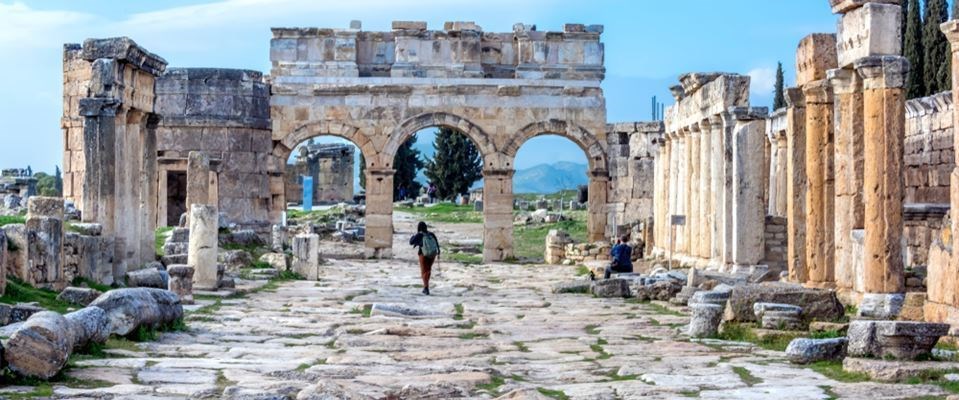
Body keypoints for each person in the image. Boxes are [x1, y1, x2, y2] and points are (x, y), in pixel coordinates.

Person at [409, 221, 440, 295]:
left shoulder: (419, 235)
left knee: (424, 271)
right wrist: (438, 252)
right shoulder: (431, 234)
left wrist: (413, 236)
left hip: (423, 254)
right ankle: (426, 286)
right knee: (428, 270)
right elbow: (437, 244)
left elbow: (411, 242)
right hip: (432, 254)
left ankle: (426, 288)